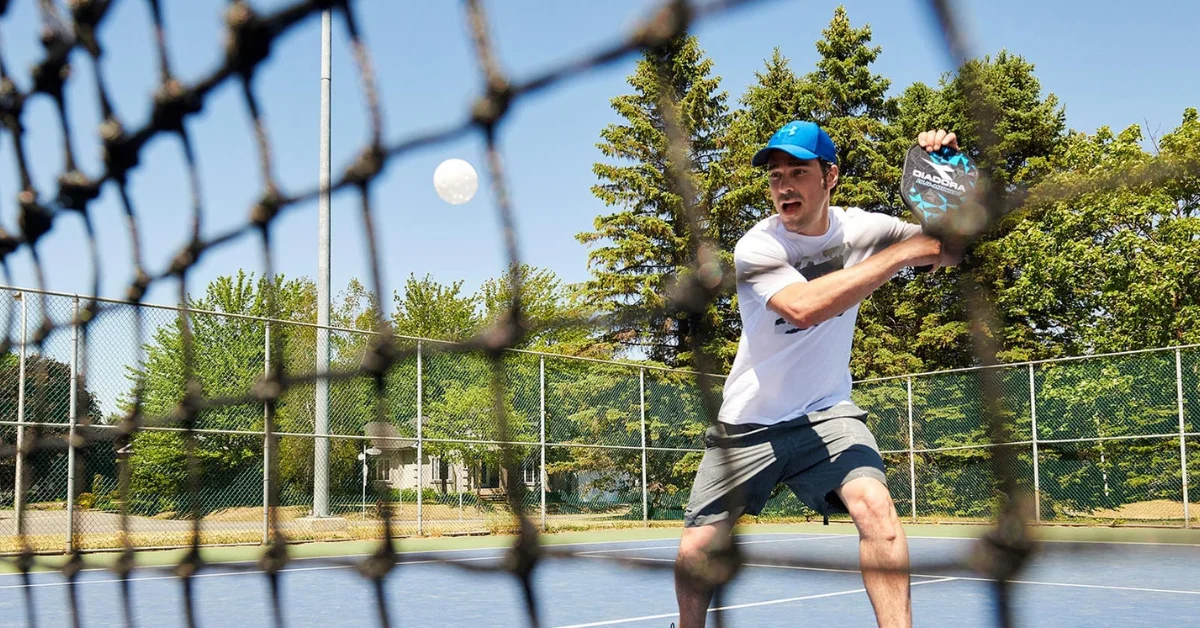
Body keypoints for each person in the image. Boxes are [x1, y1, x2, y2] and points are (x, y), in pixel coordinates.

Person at [673, 121, 961, 628]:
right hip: (749, 421)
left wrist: (945, 175)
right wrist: (905, 253)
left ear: (830, 177)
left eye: (798, 172)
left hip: (826, 413)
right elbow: (804, 308)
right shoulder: (757, 247)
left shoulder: (864, 230)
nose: (784, 185)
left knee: (877, 510)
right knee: (699, 546)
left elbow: (948, 248)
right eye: (776, 175)